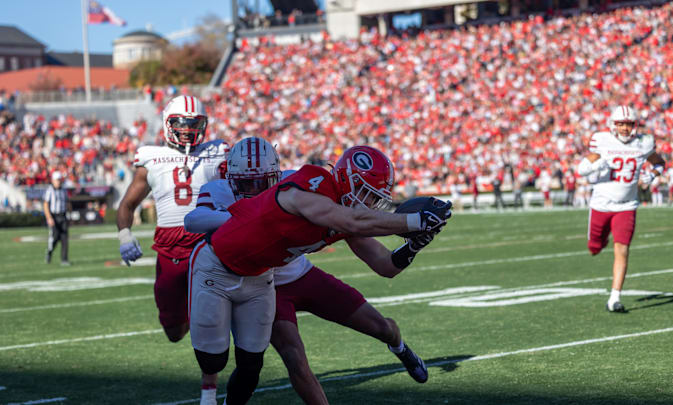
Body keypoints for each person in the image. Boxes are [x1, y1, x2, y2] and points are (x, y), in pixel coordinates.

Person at [186, 144, 451, 405]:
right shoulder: (304, 186)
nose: (255, 189)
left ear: (276, 173)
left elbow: (385, 265)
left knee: (382, 327)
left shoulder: (335, 203)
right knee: (294, 358)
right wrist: (415, 221)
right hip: (260, 281)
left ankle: (399, 347)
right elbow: (194, 220)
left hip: (297, 274)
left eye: (262, 181)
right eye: (247, 183)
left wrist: (413, 246)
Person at [116, 95, 228, 344]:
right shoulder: (150, 158)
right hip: (170, 245)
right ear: (168, 123)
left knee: (222, 306)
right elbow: (127, 204)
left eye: (194, 124)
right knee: (173, 331)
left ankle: (210, 372)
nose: (188, 131)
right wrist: (125, 235)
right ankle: (197, 316)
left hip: (208, 240)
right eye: (181, 123)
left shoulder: (217, 153)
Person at [577, 106, 665, 313]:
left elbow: (659, 163)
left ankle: (614, 298)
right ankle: (599, 242)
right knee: (594, 247)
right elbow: (582, 169)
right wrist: (595, 167)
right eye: (621, 124)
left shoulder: (643, 143)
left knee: (623, 249)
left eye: (628, 124)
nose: (625, 128)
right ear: (613, 125)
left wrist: (652, 174)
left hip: (627, 205)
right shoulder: (602, 140)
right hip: (601, 204)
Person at [43, 171, 70, 265]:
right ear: (53, 180)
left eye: (59, 180)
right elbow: (46, 204)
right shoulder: (49, 190)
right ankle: (49, 252)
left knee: (64, 238)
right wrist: (49, 218)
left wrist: (69, 213)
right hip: (54, 216)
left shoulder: (64, 190)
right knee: (54, 238)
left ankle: (64, 259)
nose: (58, 182)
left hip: (63, 215)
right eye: (57, 180)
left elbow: (67, 202)